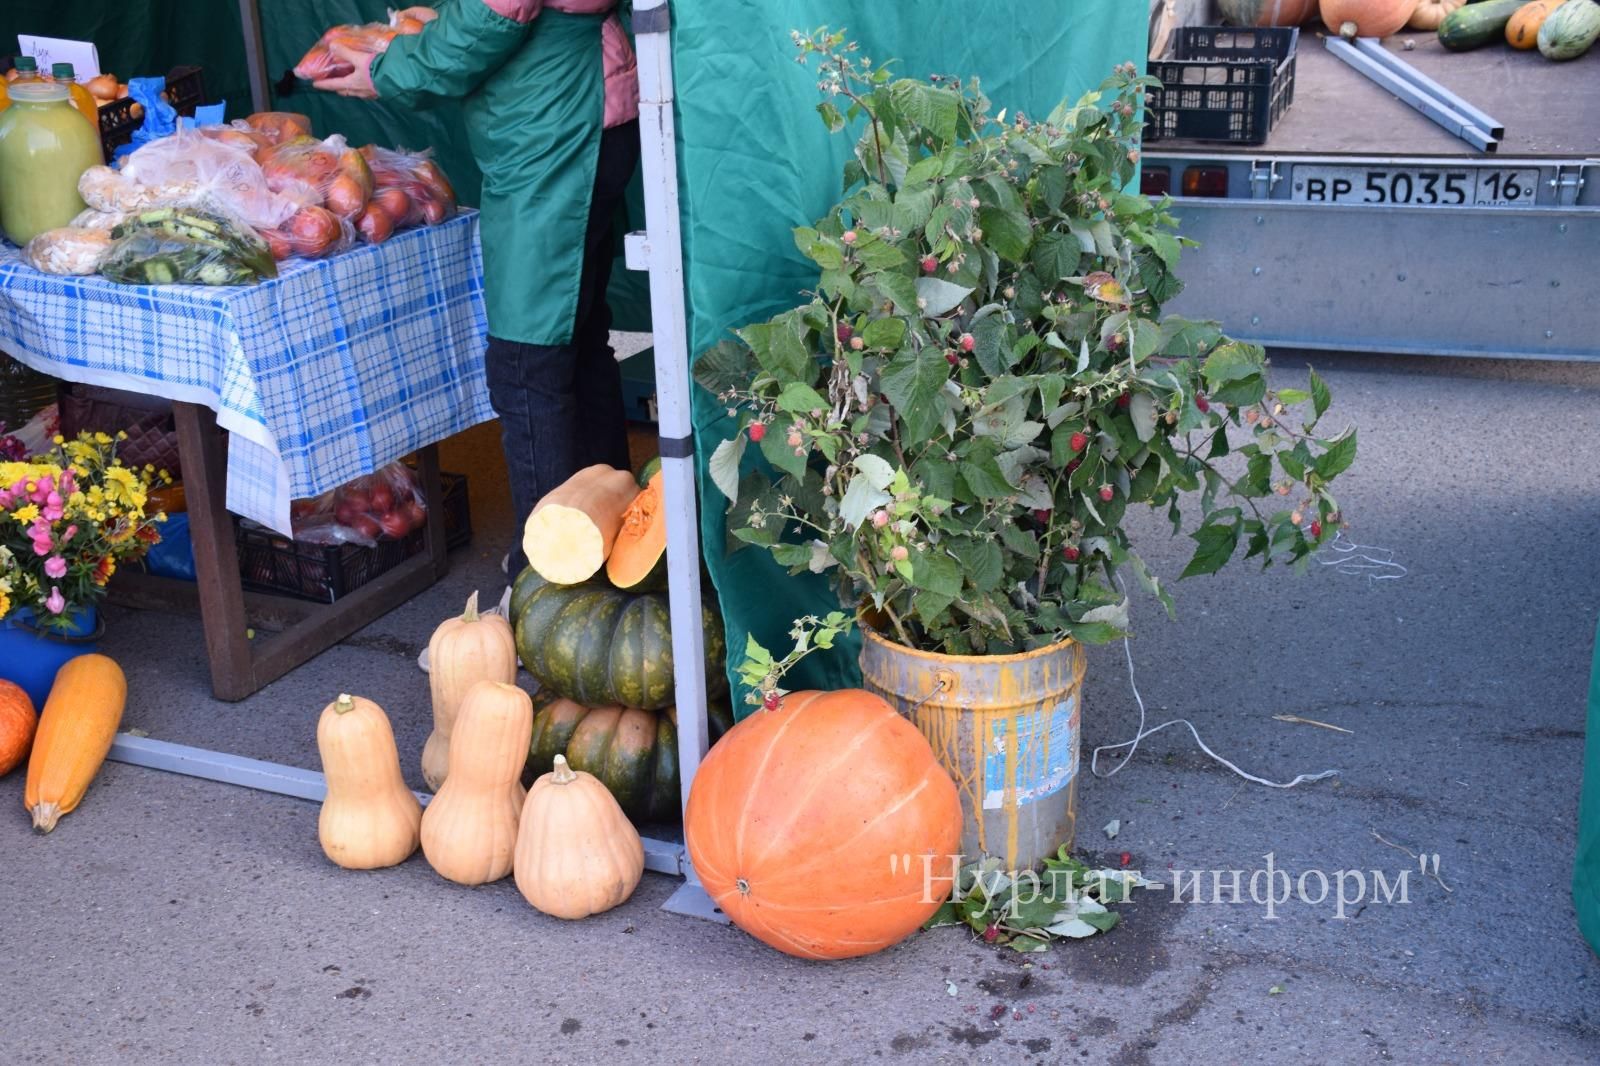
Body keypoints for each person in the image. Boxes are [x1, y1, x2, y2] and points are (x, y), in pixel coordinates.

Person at [313, 0, 641, 580]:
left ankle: (546, 582)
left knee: (527, 361)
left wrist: (389, 70)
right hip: (587, 108)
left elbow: (491, 18)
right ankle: (614, 543)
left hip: (553, 126)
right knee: (579, 339)